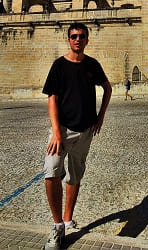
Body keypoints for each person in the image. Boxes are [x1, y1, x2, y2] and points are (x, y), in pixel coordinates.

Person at [42, 23, 112, 250]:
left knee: (74, 176)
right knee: (51, 172)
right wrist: (56, 132)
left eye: (82, 36)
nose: (78, 39)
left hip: (85, 131)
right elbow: (52, 98)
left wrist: (100, 117)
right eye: (74, 36)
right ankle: (57, 226)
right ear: (68, 39)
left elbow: (107, 88)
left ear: (87, 40)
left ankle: (67, 218)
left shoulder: (92, 64)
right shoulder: (59, 65)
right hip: (61, 129)